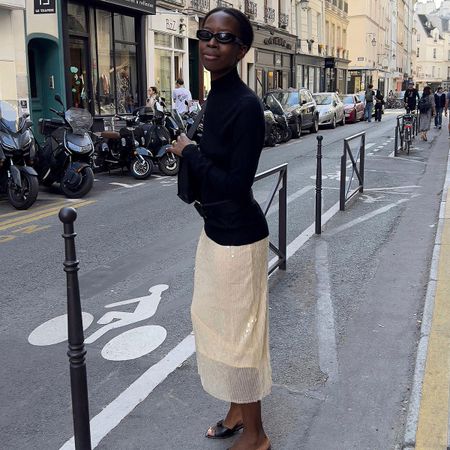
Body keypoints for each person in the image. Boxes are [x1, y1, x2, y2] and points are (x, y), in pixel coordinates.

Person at [170, 7, 271, 450]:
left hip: (238, 238)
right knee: (214, 324)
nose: (211, 43)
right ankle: (235, 409)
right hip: (216, 231)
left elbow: (235, 183)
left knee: (241, 336)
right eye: (205, 34)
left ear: (242, 48)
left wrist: (190, 153)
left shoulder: (245, 105)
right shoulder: (216, 94)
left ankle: (257, 436)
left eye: (223, 38)